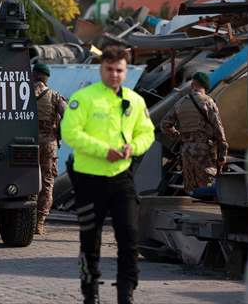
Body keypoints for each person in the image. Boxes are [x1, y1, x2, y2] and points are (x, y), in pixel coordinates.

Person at [61, 46, 155, 304]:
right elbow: (70, 132)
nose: (114, 74)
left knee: (129, 237)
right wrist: (104, 151)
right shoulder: (84, 98)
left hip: (121, 179)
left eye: (119, 70)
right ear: (100, 69)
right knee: (90, 241)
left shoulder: (135, 101)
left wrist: (132, 148)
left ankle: (126, 294)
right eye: (109, 69)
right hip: (88, 180)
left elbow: (147, 133)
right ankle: (90, 294)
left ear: (126, 71)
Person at [160, 72, 228, 193]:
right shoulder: (208, 102)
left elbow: (164, 125)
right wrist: (222, 155)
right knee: (207, 188)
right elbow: (219, 130)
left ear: (192, 85)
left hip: (186, 152)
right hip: (204, 152)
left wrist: (179, 136)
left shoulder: (180, 103)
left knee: (190, 190)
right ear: (205, 87)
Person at [32, 62, 66, 235]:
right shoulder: (55, 96)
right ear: (46, 77)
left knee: (26, 180)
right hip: (49, 144)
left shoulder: (23, 94)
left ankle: (25, 220)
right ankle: (39, 223)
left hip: (26, 143)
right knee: (47, 183)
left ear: (34, 74)